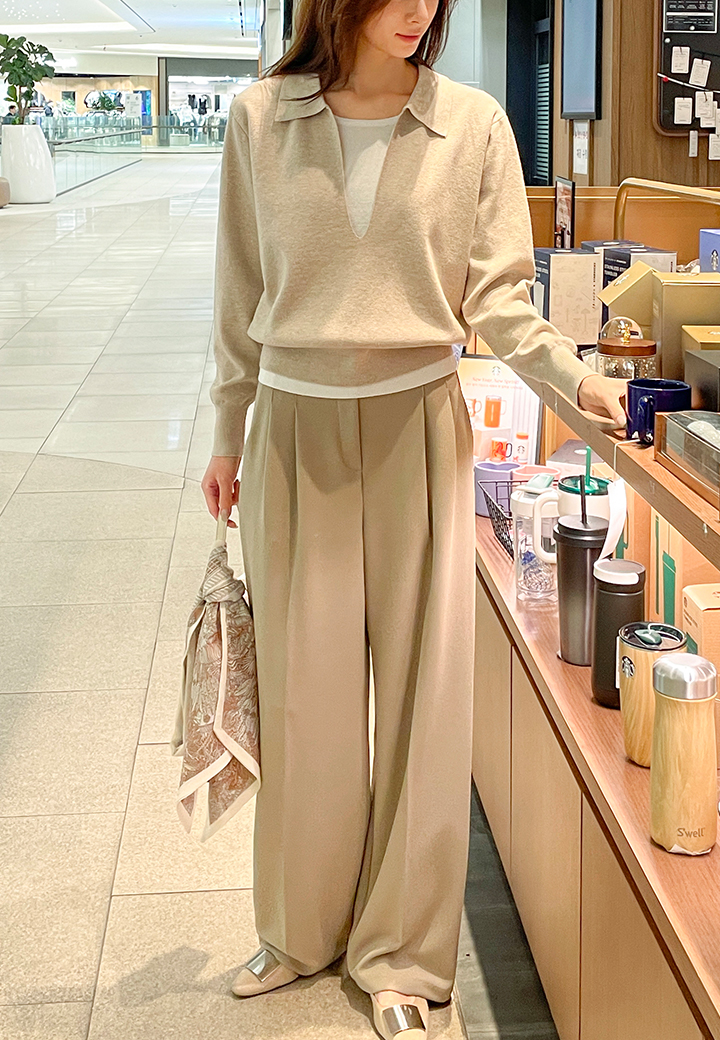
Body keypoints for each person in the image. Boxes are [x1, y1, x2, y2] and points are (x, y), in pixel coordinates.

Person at [201, 2, 626, 1038]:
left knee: (426, 699)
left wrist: (575, 375)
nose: (420, 9)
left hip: (419, 428)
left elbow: (502, 299)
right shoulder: (259, 119)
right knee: (305, 697)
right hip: (294, 429)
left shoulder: (472, 123)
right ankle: (300, 929)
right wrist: (225, 429)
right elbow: (238, 291)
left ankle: (402, 954)